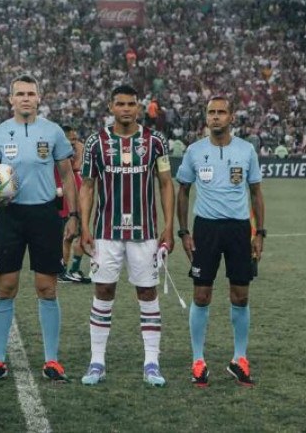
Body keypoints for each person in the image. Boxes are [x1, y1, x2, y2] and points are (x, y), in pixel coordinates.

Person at [0, 74, 78, 383]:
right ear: (10, 99)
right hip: (10, 216)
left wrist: (73, 215)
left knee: (47, 288)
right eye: (19, 93)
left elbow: (67, 175)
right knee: (6, 288)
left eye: (30, 93)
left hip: (45, 216)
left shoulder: (53, 132)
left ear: (38, 98)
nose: (25, 98)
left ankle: (52, 360)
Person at [79, 85, 174, 387]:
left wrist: (168, 226)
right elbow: (87, 186)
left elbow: (165, 184)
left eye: (131, 104)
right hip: (105, 232)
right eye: (120, 104)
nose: (126, 109)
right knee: (103, 291)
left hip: (145, 233)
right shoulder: (96, 142)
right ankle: (97, 361)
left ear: (139, 107)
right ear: (111, 106)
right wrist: (83, 226)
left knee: (147, 293)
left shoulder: (155, 141)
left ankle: (151, 363)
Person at [176, 96, 265, 387]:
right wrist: (184, 231)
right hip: (206, 230)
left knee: (241, 295)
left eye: (221, 112)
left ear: (231, 117)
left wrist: (259, 233)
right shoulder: (194, 151)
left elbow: (256, 193)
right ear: (206, 117)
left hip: (239, 230)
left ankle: (239, 359)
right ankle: (198, 360)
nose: (215, 117)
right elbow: (183, 191)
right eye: (211, 112)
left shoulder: (246, 150)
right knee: (202, 295)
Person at [57, 125, 91, 284]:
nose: (74, 142)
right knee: (67, 236)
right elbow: (76, 165)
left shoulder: (75, 149)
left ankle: (74, 269)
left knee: (82, 233)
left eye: (75, 139)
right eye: (71, 139)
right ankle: (63, 271)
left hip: (78, 191)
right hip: (64, 196)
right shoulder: (58, 151)